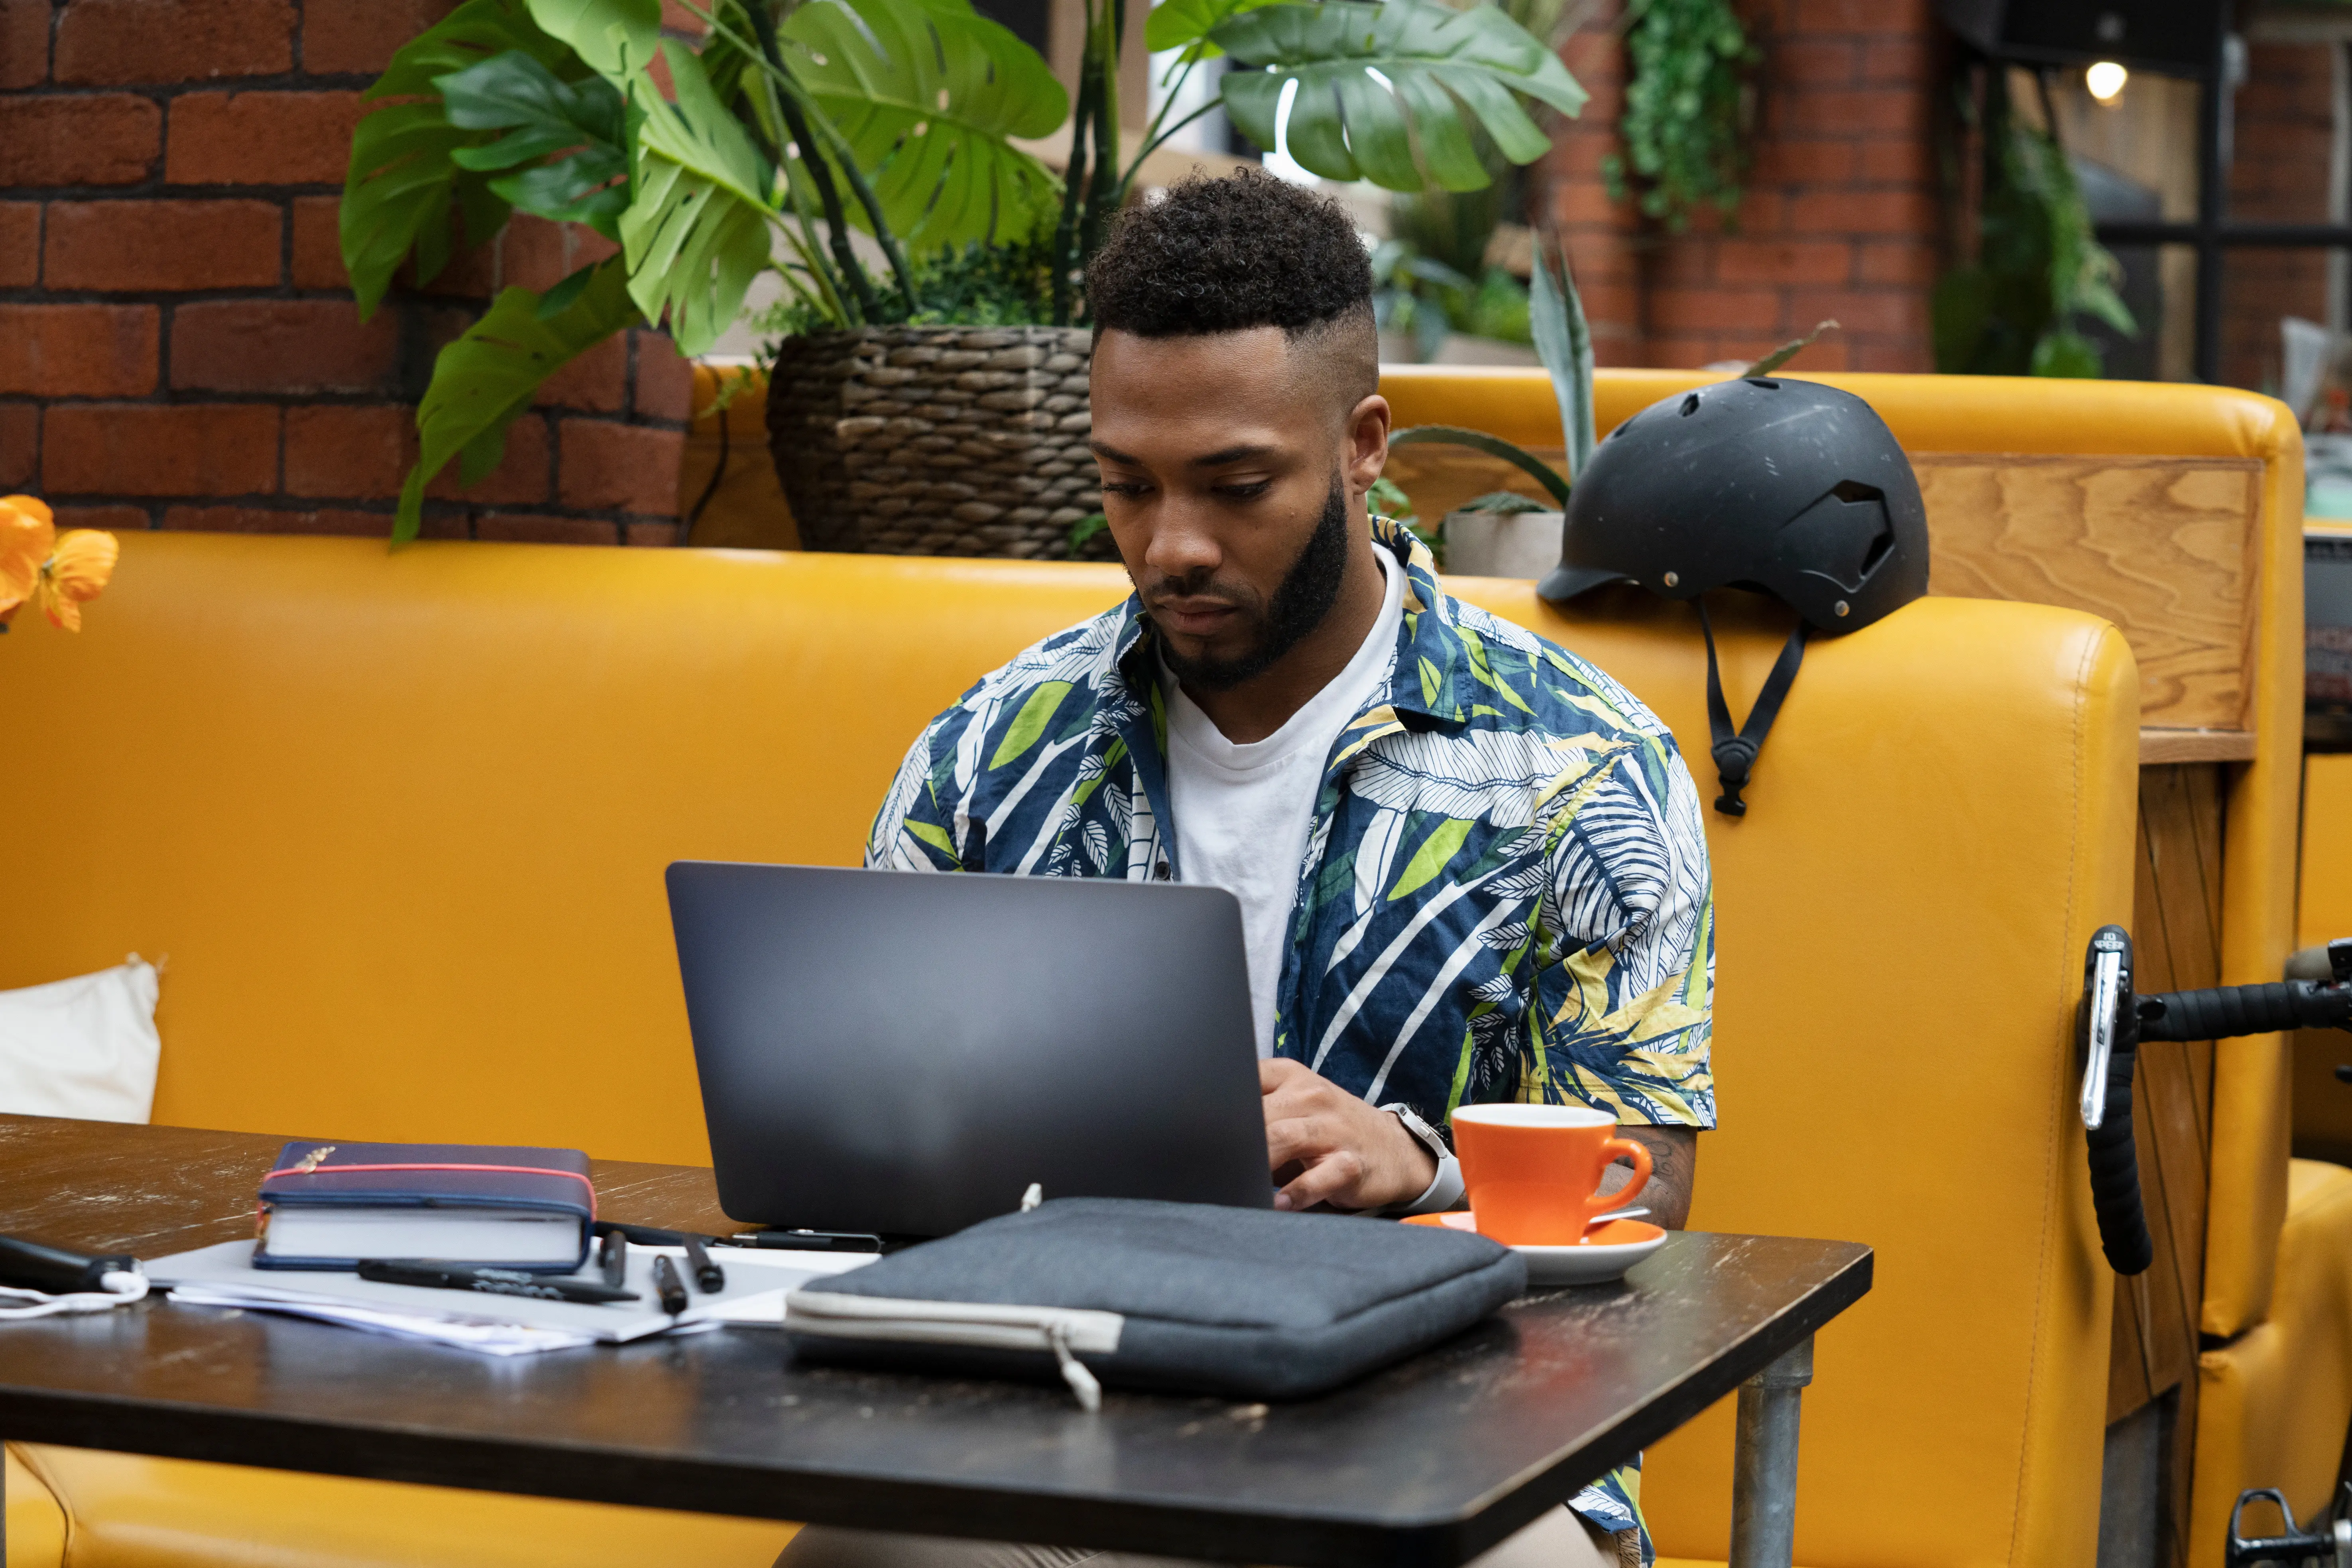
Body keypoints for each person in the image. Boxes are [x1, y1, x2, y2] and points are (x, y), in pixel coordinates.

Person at [794, 171, 1713, 1568]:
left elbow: (1650, 1179)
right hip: (1066, 1417)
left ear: (1360, 444)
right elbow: (860, 1141)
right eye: (1125, 485)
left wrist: (1410, 1160)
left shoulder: (1581, 763)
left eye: (1234, 486)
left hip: (1458, 1435)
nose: (1171, 544)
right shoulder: (989, 751)